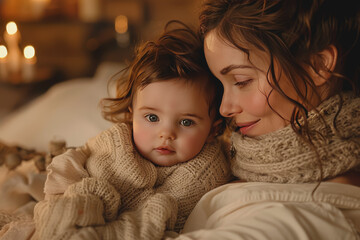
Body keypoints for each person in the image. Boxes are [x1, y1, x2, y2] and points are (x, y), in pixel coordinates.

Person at [165, 0, 360, 239]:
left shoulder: (315, 216)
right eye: (220, 85)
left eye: (241, 80)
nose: (225, 108)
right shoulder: (219, 160)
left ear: (317, 66)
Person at [26, 21, 232, 240]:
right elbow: (78, 159)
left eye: (186, 122)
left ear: (213, 130)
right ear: (132, 115)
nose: (166, 133)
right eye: (152, 118)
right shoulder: (117, 140)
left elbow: (154, 217)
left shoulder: (205, 170)